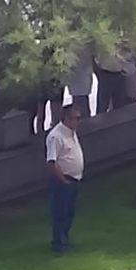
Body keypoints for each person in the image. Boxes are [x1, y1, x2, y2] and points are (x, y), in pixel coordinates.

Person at [46, 105, 84, 254]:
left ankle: (65, 240)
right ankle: (59, 244)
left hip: (74, 178)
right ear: (67, 119)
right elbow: (51, 162)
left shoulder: (72, 133)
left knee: (70, 212)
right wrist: (63, 180)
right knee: (60, 213)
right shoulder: (56, 136)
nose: (78, 121)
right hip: (63, 180)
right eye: (76, 118)